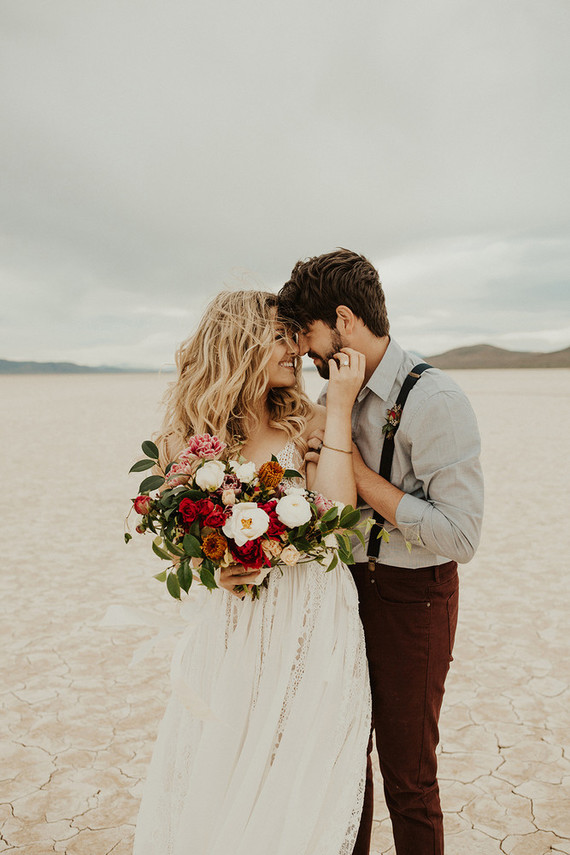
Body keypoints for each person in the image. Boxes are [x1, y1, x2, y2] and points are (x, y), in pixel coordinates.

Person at [132, 290, 371, 855]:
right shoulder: (183, 441)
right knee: (225, 762)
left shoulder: (309, 422)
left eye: (294, 334)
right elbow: (175, 543)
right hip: (237, 629)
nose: (294, 348)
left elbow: (336, 520)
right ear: (238, 344)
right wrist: (211, 569)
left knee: (303, 770)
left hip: (314, 617)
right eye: (279, 335)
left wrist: (337, 411)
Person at [278, 249, 484, 855]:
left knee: (409, 780)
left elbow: (461, 537)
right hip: (343, 595)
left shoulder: (435, 400)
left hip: (412, 600)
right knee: (345, 771)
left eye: (309, 334)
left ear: (343, 320)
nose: (306, 353)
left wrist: (364, 480)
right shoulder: (334, 397)